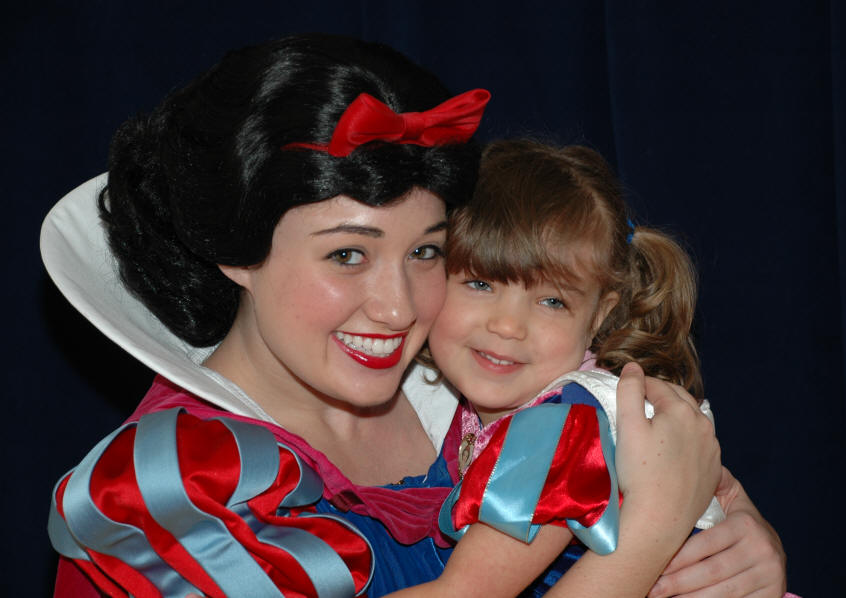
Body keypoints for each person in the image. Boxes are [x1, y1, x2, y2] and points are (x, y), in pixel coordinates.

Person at [41, 34, 783, 597]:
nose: (399, 308)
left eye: (426, 252)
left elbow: (692, 494)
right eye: (347, 255)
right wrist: (645, 539)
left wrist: (743, 551)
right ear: (235, 251)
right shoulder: (170, 485)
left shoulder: (472, 388)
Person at [389, 139, 793, 597]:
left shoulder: (565, 429)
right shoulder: (458, 405)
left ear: (599, 317)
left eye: (551, 301)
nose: (507, 325)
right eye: (481, 283)